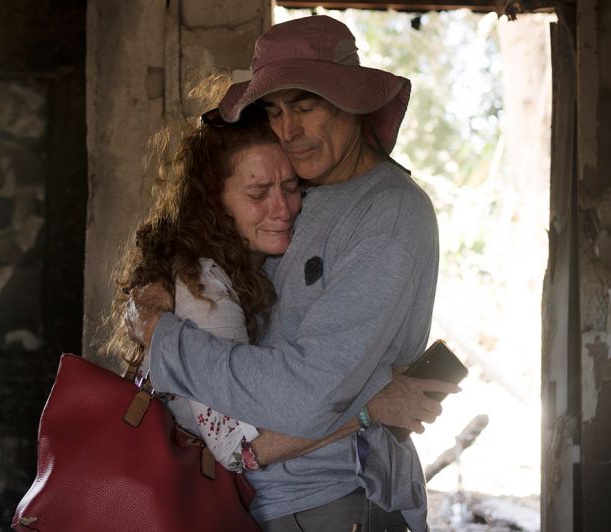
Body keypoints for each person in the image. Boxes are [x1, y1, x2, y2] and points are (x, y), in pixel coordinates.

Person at [128, 14, 451, 531]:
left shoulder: (387, 213)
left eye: (306, 105)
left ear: (352, 100)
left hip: (332, 498)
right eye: (275, 110)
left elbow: (305, 395)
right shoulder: (303, 192)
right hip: (269, 498)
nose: (288, 130)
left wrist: (164, 340)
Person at [106, 98, 444, 476]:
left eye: (291, 186)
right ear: (215, 203)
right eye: (258, 193)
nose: (282, 208)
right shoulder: (205, 289)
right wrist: (371, 406)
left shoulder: (243, 271)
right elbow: (238, 447)